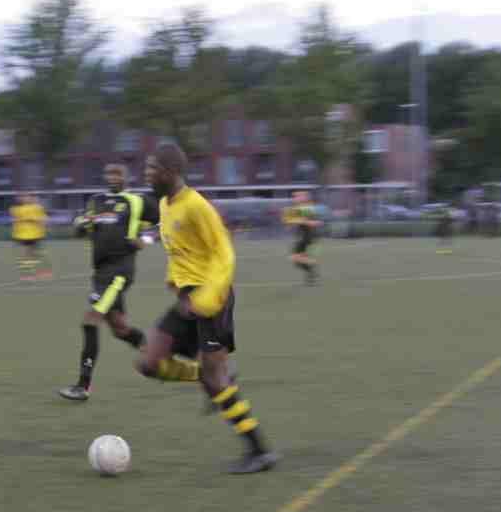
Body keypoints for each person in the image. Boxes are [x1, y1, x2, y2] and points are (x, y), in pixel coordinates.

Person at [134, 144, 279, 474]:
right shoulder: (165, 205)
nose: (147, 174)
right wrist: (175, 280)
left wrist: (207, 299)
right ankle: (204, 374)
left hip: (213, 299)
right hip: (187, 301)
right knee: (148, 363)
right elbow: (179, 250)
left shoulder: (197, 206)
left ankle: (259, 452)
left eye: (152, 168)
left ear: (171, 172)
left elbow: (224, 254)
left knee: (217, 382)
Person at [58, 163, 157, 402]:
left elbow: (163, 224)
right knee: (120, 329)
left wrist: (145, 239)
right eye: (109, 174)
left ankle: (83, 386)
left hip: (119, 271)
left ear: (127, 177)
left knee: (89, 321)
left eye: (117, 174)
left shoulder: (137, 201)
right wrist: (80, 225)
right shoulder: (96, 201)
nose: (112, 177)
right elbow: (80, 228)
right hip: (100, 272)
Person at [281, 191, 321, 284]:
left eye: (297, 197)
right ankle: (310, 274)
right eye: (294, 197)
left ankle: (311, 265)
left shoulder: (306, 207)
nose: (294, 199)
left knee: (294, 257)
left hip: (306, 236)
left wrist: (297, 220)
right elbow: (290, 220)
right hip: (304, 236)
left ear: (304, 198)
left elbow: (311, 222)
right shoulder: (299, 208)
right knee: (297, 261)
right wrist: (290, 220)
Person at [9, 194, 51, 281]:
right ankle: (30, 274)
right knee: (28, 255)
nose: (24, 199)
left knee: (34, 254)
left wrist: (36, 221)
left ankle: (40, 272)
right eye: (23, 197)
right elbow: (14, 219)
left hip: (35, 234)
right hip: (22, 235)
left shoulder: (37, 208)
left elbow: (43, 219)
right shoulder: (16, 209)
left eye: (27, 197)